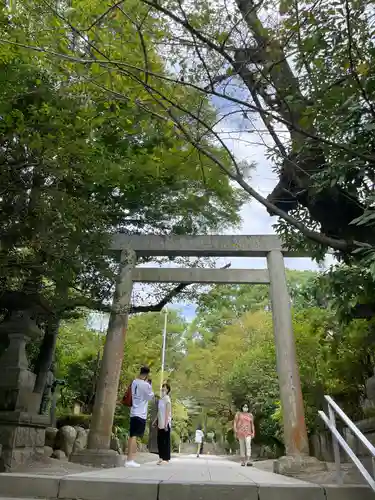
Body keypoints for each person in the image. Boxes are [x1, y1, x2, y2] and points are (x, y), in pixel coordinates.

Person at [126, 366, 154, 468]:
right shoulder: (146, 385)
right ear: (147, 374)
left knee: (132, 435)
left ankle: (130, 459)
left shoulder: (134, 382)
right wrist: (149, 384)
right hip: (141, 413)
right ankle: (130, 459)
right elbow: (150, 396)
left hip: (133, 411)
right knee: (134, 436)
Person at [153, 382, 172, 465]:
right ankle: (160, 457)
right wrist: (155, 420)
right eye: (162, 387)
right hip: (160, 423)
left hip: (165, 423)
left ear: (167, 390)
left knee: (166, 441)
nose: (163, 388)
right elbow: (159, 411)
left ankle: (166, 459)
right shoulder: (161, 399)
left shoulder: (167, 398)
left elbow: (167, 411)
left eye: (164, 387)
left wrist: (166, 423)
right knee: (160, 440)